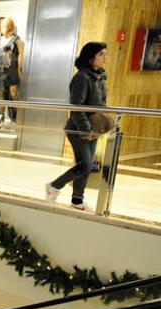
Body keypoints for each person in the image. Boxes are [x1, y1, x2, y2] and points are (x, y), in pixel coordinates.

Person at [46, 41, 108, 212]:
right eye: (101, 54)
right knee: (86, 165)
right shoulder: (81, 77)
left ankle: (77, 200)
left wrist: (100, 125)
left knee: (85, 165)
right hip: (78, 129)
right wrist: (85, 129)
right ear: (90, 58)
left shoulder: (100, 77)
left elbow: (101, 104)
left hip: (93, 128)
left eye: (105, 54)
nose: (105, 57)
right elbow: (76, 106)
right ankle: (54, 186)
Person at [0, 18, 24, 128]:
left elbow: (21, 55)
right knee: (0, 96)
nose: (2, 28)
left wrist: (19, 69)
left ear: (10, 27)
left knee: (13, 94)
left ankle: (17, 118)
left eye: (4, 26)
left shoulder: (17, 40)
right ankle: (0, 119)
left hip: (12, 71)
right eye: (1, 26)